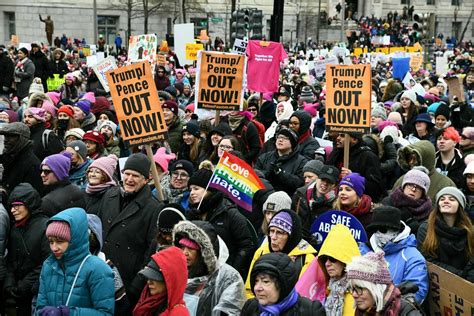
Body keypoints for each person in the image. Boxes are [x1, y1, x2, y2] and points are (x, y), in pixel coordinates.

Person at [97, 153, 161, 308]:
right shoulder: (110, 194)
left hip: (127, 283)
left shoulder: (154, 208)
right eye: (127, 174)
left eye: (136, 176)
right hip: (101, 275)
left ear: (146, 179)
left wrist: (135, 287)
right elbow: (97, 231)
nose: (129, 179)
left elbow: (151, 252)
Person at [36, 208, 115, 315]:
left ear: (75, 239)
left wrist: (68, 313)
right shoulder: (49, 265)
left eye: (60, 241)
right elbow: (40, 306)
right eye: (51, 242)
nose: (54, 248)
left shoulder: (98, 269)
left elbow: (105, 313)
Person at [187, 168, 255, 278]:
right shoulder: (192, 214)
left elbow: (246, 246)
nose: (192, 193)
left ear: (209, 190)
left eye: (196, 189)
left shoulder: (230, 213)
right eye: (190, 189)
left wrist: (231, 271)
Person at [173, 220, 246, 315]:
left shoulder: (228, 277)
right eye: (182, 247)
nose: (184, 253)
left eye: (191, 249)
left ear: (203, 252)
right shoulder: (176, 271)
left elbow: (230, 310)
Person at [362, 206, 429, 304]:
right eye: (374, 230)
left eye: (382, 229)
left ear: (395, 230)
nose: (378, 234)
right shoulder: (364, 250)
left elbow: (416, 294)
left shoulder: (413, 258)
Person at [245, 209, 317, 298]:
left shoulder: (306, 258)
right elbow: (249, 290)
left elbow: (303, 297)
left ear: (291, 237)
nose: (273, 237)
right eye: (271, 231)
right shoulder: (261, 252)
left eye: (279, 233)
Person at [3, 183, 50, 316]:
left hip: (36, 293)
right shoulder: (15, 229)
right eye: (12, 206)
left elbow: (47, 263)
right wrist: (9, 283)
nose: (13, 210)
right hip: (17, 293)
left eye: (17, 205)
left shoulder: (45, 227)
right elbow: (11, 261)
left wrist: (24, 286)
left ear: (30, 204)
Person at [417, 187, 474, 282]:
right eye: (442, 199)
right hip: (437, 282)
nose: (446, 201)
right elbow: (427, 260)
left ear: (460, 205)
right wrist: (461, 275)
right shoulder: (426, 228)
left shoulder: (469, 231)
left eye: (452, 199)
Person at [242, 252, 326, 315]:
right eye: (256, 281)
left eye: (265, 282)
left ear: (283, 284)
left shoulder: (310, 311)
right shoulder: (251, 307)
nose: (257, 288)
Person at [346, 251, 423, 315]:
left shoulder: (407, 313)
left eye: (360, 288)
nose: (354, 295)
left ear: (377, 288)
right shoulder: (363, 311)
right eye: (353, 289)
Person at [317, 224, 361, 316]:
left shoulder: (361, 293)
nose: (327, 264)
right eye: (325, 259)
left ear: (345, 261)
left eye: (332, 259)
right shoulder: (328, 290)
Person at [327, 133, 383, 202]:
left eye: (342, 136)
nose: (338, 138)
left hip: (358, 204)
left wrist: (353, 178)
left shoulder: (368, 157)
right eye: (338, 135)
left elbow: (376, 188)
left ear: (354, 139)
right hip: (335, 201)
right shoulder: (336, 154)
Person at [134, 246, 190, 315]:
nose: (149, 282)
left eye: (155, 277)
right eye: (148, 277)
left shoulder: (178, 313)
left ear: (170, 282)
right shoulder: (147, 300)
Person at [254, 128, 307, 196]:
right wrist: (267, 173)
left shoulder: (301, 161)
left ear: (292, 143)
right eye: (279, 137)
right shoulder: (265, 157)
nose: (280, 140)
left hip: (286, 197)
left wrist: (280, 174)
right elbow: (254, 174)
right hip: (262, 195)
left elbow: (300, 183)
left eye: (285, 138)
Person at [381, 167, 432, 234]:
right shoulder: (389, 202)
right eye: (410, 185)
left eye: (418, 187)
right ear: (404, 186)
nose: (413, 189)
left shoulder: (427, 211)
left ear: (423, 192)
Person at [293, 164, 340, 234]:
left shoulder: (337, 203)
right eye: (323, 179)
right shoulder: (300, 194)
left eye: (329, 181)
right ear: (317, 178)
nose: (325, 183)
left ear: (334, 186)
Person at [0, 122, 43, 195]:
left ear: (22, 139)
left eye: (11, 136)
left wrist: (5, 193)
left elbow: (31, 196)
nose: (5, 140)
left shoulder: (31, 164)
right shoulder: (7, 157)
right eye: (5, 136)